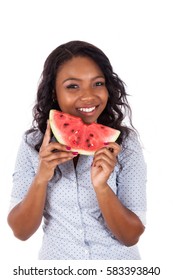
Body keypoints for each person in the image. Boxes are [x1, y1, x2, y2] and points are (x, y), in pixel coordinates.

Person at [7, 40, 147, 260]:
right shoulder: (32, 144)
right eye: (73, 86)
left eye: (98, 83)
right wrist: (42, 178)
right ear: (54, 92)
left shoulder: (124, 143)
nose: (89, 96)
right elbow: (21, 232)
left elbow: (131, 236)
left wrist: (102, 188)